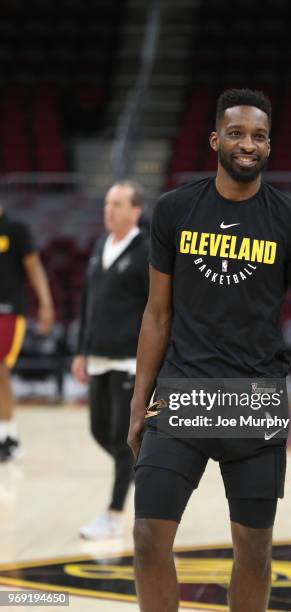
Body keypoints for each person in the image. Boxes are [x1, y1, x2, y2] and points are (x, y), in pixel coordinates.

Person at [128, 89, 291, 611]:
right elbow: (157, 314)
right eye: (237, 133)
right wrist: (137, 401)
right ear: (216, 139)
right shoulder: (174, 211)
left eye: (259, 136)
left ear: (269, 146)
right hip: (181, 395)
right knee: (148, 539)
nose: (248, 144)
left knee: (255, 554)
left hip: (255, 401)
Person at [71, 180, 149, 540]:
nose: (109, 209)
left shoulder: (145, 250)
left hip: (129, 361)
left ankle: (113, 514)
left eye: (117, 204)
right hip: (98, 356)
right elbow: (89, 302)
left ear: (135, 210)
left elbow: (158, 310)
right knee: (98, 431)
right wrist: (82, 350)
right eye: (107, 203)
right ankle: (140, 466)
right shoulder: (101, 245)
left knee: (122, 440)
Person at [0, 204, 54, 462]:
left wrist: (45, 303)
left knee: (0, 369)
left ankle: (7, 435)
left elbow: (34, 267)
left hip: (8, 311)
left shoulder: (16, 229)